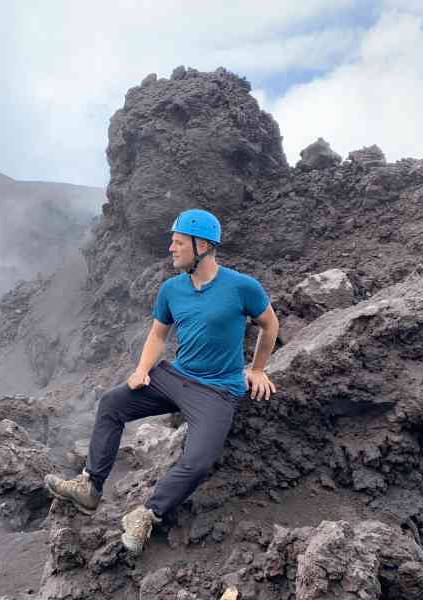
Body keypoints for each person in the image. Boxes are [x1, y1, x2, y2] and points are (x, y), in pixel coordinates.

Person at [44, 208, 279, 555]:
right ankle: (90, 485)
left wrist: (257, 369)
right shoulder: (171, 289)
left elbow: (270, 325)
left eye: (178, 242)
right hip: (175, 376)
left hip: (217, 391)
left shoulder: (242, 287)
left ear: (203, 246)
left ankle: (146, 514)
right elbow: (158, 334)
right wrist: (141, 370)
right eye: (173, 241)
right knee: (111, 403)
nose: (171, 248)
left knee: (198, 461)